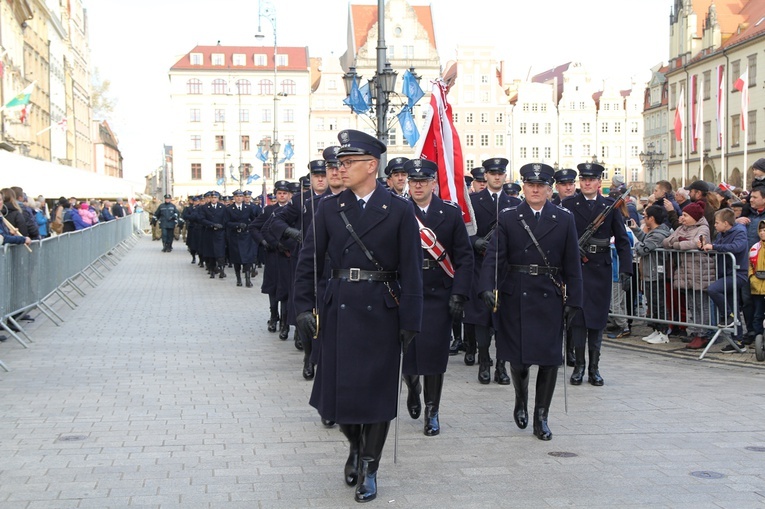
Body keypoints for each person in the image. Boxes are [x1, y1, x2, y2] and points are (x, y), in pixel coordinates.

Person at [293, 129, 422, 503]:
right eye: (339, 163)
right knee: (341, 396)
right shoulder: (329, 208)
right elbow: (309, 261)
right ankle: (354, 443)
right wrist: (303, 307)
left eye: (348, 163)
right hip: (340, 309)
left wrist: (411, 321)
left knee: (378, 395)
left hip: (382, 310)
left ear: (371, 165)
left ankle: (370, 466)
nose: (340, 168)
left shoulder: (399, 209)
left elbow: (412, 269)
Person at [478, 162, 582, 441]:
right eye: (530, 185)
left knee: (548, 360)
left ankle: (541, 416)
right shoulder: (510, 216)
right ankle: (521, 399)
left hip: (549, 294)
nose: (535, 190)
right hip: (516, 293)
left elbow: (572, 262)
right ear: (523, 187)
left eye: (541, 186)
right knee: (520, 360)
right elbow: (494, 256)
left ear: (550, 189)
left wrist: (575, 298)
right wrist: (487, 285)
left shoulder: (564, 218)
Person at [400, 158, 473, 436]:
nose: (418, 185)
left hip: (438, 292)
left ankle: (433, 410)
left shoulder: (450, 213)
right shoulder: (399, 210)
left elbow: (464, 258)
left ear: (433, 183)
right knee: (406, 355)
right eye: (413, 181)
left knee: (433, 355)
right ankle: (413, 386)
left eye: (423, 181)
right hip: (407, 291)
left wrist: (459, 293)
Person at [561, 162, 632, 386]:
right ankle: (579, 366)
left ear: (599, 182)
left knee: (597, 322)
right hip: (578, 270)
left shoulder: (609, 206)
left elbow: (622, 240)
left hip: (600, 268)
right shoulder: (569, 204)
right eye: (584, 180)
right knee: (579, 320)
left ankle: (594, 368)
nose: (587, 183)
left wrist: (626, 269)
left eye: (591, 180)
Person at [463, 158, 520, 385]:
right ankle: (484, 361)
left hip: (504, 270)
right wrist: (475, 242)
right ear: (485, 176)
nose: (497, 177)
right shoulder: (473, 201)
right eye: (492, 173)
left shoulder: (513, 203)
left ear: (505, 176)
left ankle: (501, 366)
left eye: (500, 173)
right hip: (480, 266)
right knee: (481, 319)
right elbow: (463, 232)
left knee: (504, 321)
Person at [271, 161, 330, 376]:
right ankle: (308, 355)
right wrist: (290, 232)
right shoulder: (301, 200)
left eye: (324, 174)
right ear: (311, 178)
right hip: (306, 261)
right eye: (316, 176)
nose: (321, 179)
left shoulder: (339, 197)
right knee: (305, 311)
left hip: (330, 262)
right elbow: (276, 220)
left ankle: (324, 355)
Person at [662, 201, 715, 350]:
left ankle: (703, 333)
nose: (682, 218)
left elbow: (695, 243)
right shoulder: (681, 228)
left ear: (694, 217)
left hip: (700, 270)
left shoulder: (703, 228)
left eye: (685, 215)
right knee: (692, 303)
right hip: (687, 270)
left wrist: (678, 244)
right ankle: (696, 330)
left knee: (701, 303)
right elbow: (666, 241)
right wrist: (679, 241)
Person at [701, 208, 749, 352]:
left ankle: (729, 316)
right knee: (733, 306)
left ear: (726, 223)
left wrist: (714, 246)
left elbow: (737, 247)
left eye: (717, 223)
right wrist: (705, 249)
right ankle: (738, 340)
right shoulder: (721, 234)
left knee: (713, 289)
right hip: (724, 273)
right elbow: (718, 252)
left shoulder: (739, 232)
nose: (714, 225)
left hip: (737, 273)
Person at [249, 180, 293, 336]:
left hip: (288, 255)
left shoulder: (293, 209)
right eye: (279, 193)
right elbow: (254, 227)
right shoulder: (269, 210)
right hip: (273, 254)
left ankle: (285, 322)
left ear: (289, 195)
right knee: (273, 288)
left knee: (287, 289)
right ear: (276, 195)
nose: (282, 196)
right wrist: (263, 242)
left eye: (285, 193)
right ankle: (274, 316)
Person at [629, 205, 672, 344]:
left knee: (658, 303)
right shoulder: (654, 232)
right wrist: (636, 229)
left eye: (645, 216)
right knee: (652, 304)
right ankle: (656, 330)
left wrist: (636, 247)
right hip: (649, 272)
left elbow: (644, 248)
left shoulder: (659, 234)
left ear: (652, 218)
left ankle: (663, 332)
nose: (643, 218)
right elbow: (645, 240)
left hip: (656, 273)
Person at [226, 190, 257, 287]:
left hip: (246, 236)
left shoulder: (248, 208)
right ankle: (238, 279)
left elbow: (254, 220)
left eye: (240, 196)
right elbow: (226, 223)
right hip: (235, 236)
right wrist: (237, 225)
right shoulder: (229, 209)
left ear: (243, 198)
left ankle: (248, 280)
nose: (239, 198)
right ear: (234, 198)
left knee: (247, 258)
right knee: (237, 259)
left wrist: (250, 227)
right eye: (237, 196)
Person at [199, 191, 229, 278]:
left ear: (218, 199)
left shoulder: (222, 207)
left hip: (219, 233)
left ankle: (221, 269)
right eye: (212, 197)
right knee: (210, 252)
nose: (213, 199)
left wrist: (221, 226)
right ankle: (211, 270)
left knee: (220, 252)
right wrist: (212, 224)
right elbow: (202, 219)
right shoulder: (205, 207)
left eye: (215, 198)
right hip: (209, 232)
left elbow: (226, 218)